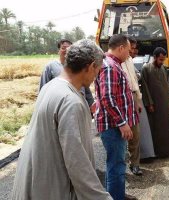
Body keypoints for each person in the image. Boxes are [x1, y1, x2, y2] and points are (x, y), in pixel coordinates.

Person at [12, 39, 112, 200]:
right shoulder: (71, 101)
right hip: (53, 189)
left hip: (35, 184)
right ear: (90, 65)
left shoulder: (50, 87)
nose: (96, 77)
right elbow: (77, 164)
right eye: (97, 71)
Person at [95, 34, 138, 200]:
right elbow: (107, 98)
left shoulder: (112, 64)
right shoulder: (110, 66)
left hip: (114, 125)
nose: (129, 53)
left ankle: (114, 196)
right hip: (113, 126)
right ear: (121, 48)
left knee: (115, 165)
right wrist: (122, 123)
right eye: (128, 49)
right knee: (116, 166)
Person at [39, 39, 95, 112]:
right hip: (60, 107)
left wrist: (91, 104)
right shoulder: (50, 67)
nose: (66, 50)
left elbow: (85, 87)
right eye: (63, 48)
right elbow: (43, 88)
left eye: (70, 48)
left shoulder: (78, 66)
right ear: (58, 51)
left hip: (78, 106)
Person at [141, 47, 169, 158]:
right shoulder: (146, 68)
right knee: (155, 128)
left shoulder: (163, 69)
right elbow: (145, 88)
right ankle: (157, 152)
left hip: (165, 103)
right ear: (155, 57)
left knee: (167, 127)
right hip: (154, 105)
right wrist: (149, 103)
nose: (162, 62)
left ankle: (168, 151)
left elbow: (167, 85)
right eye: (160, 59)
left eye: (163, 60)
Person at [121, 37, 144, 176]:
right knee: (122, 135)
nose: (133, 50)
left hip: (133, 98)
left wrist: (138, 100)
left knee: (135, 134)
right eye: (131, 47)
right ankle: (121, 166)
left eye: (134, 47)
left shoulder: (129, 61)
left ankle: (135, 164)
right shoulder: (114, 63)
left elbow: (135, 81)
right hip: (122, 99)